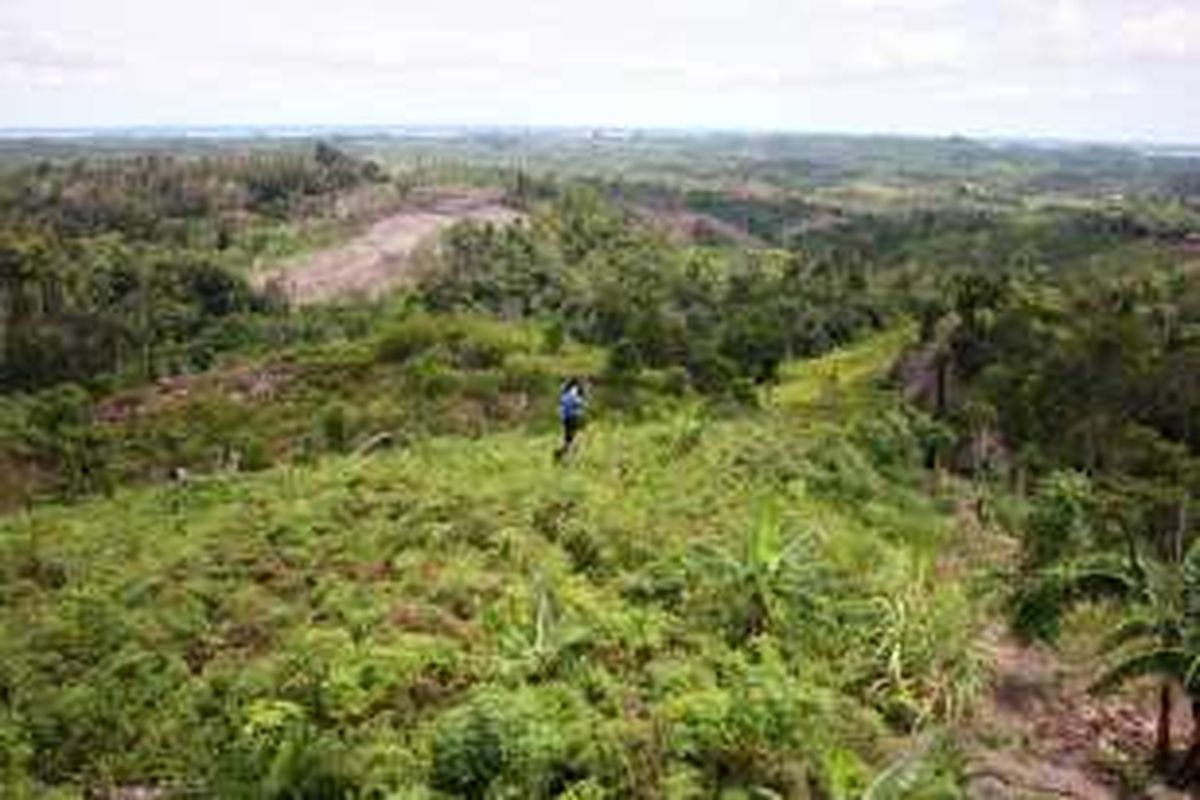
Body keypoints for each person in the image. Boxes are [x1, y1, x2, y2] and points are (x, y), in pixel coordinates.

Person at [555, 378, 586, 462]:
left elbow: (561, 407)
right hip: (573, 418)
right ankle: (565, 457)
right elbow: (576, 403)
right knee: (574, 439)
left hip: (568, 419)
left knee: (569, 439)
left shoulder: (565, 393)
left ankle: (561, 454)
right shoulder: (573, 392)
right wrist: (580, 403)